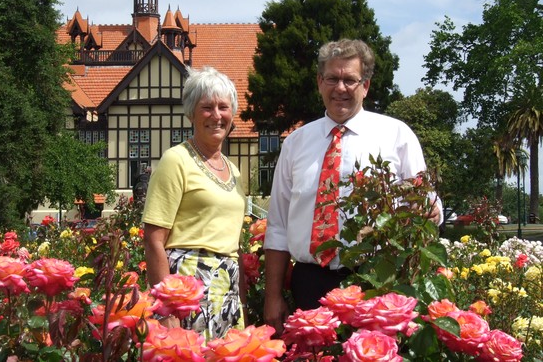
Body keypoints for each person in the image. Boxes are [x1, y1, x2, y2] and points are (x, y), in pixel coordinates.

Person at [263, 39, 442, 335]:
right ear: (320, 82)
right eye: (332, 78)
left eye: (350, 79)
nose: (340, 88)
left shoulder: (396, 135)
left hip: (374, 281)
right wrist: (272, 297)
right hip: (309, 284)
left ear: (366, 85)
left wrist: (430, 211)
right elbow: (278, 225)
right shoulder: (296, 143)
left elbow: (426, 206)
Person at [142, 66, 248, 341]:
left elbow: (233, 243)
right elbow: (154, 239)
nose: (216, 116)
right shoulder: (176, 160)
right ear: (191, 113)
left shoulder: (234, 171)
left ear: (232, 114)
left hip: (226, 289)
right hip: (187, 288)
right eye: (207, 107)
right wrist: (166, 309)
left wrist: (240, 302)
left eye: (223, 107)